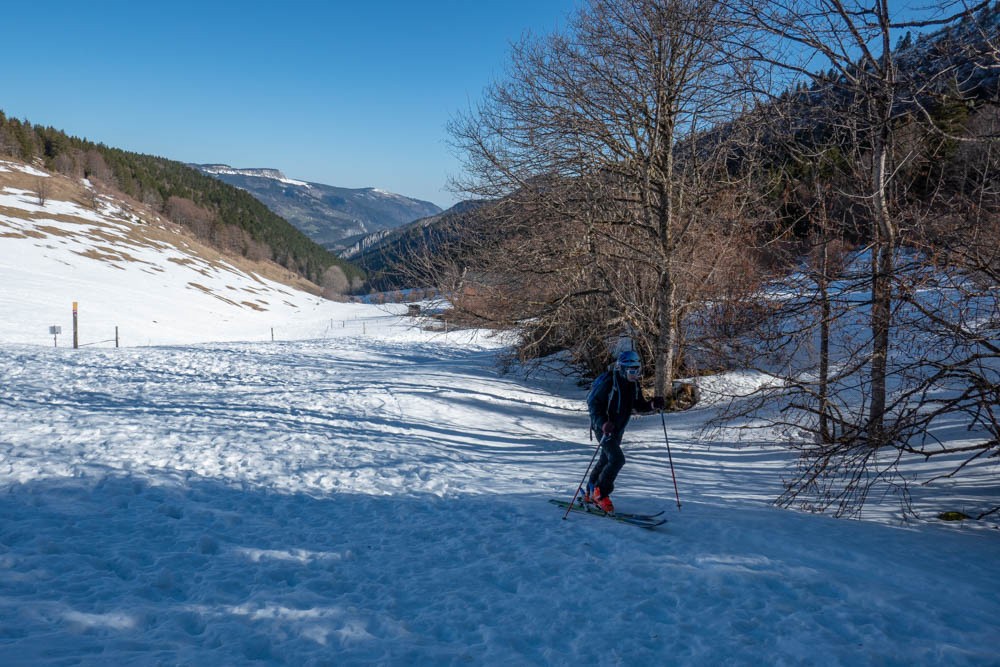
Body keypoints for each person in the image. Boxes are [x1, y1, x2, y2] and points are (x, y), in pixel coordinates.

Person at [583, 350, 664, 514]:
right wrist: (603, 423)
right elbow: (594, 405)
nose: (635, 374)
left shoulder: (633, 385)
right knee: (617, 459)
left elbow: (638, 405)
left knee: (606, 459)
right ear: (622, 368)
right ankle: (601, 494)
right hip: (603, 428)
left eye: (637, 370)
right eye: (632, 371)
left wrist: (652, 405)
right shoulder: (609, 382)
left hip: (618, 428)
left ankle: (591, 490)